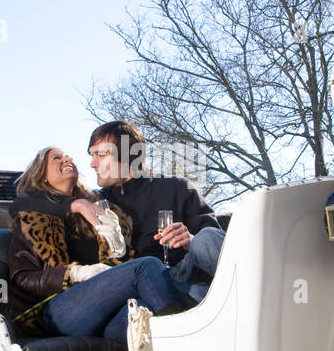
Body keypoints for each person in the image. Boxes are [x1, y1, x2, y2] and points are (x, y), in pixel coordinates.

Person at [13, 121, 226, 303]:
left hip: (185, 271)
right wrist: (76, 205)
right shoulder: (100, 203)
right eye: (91, 155)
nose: (92, 163)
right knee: (201, 294)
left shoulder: (177, 187)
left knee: (206, 239)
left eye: (100, 154)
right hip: (141, 287)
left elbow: (216, 240)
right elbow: (21, 205)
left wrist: (190, 239)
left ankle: (252, 288)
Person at [8, 147, 187, 341]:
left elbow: (119, 269)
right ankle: (186, 336)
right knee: (146, 266)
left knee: (139, 311)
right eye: (57, 158)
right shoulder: (31, 216)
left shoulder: (100, 209)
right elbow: (22, 278)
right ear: (41, 175)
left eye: (69, 156)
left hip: (103, 307)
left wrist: (118, 244)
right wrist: (77, 274)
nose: (67, 159)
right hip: (57, 310)